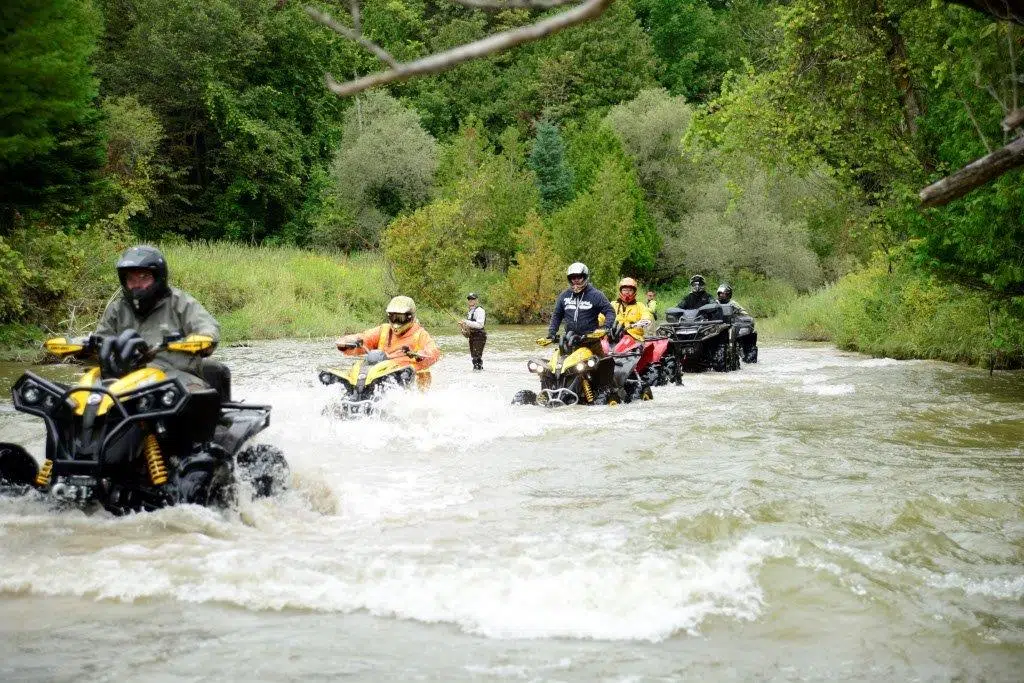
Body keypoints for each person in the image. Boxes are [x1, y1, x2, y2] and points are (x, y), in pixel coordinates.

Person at [96, 245, 231, 400]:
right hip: (124, 377)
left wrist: (204, 338)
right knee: (83, 397)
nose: (136, 284)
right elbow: (100, 341)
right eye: (131, 279)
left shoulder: (181, 303)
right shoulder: (117, 309)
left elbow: (207, 326)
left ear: (158, 277)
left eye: (143, 277)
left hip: (176, 375)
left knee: (192, 398)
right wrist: (83, 350)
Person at [336, 295, 440, 388]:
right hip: (381, 370)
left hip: (407, 376)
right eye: (393, 317)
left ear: (410, 317)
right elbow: (364, 338)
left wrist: (419, 355)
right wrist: (346, 342)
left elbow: (433, 353)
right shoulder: (384, 330)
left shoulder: (420, 334)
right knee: (359, 366)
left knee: (417, 374)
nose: (396, 322)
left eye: (400, 318)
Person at [547, 262, 616, 347]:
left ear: (585, 277)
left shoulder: (596, 295)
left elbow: (610, 312)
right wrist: (552, 332)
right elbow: (557, 315)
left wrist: (605, 328)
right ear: (569, 279)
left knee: (600, 359)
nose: (576, 280)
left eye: (579, 277)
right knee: (559, 359)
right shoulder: (564, 296)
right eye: (573, 277)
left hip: (592, 340)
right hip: (569, 340)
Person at [610, 277, 653, 342]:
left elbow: (647, 317)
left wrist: (643, 321)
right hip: (613, 337)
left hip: (634, 339)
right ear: (620, 291)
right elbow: (601, 317)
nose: (627, 292)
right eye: (624, 290)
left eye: (630, 290)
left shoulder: (640, 306)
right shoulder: (613, 304)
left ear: (634, 292)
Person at [459, 292, 486, 371]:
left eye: (473, 299)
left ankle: (478, 373)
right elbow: (470, 325)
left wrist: (466, 322)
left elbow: (480, 325)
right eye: (469, 299)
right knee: (474, 357)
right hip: (472, 336)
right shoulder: (470, 311)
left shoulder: (480, 310)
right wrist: (463, 325)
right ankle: (478, 373)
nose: (471, 300)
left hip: (480, 336)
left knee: (476, 357)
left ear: (476, 300)